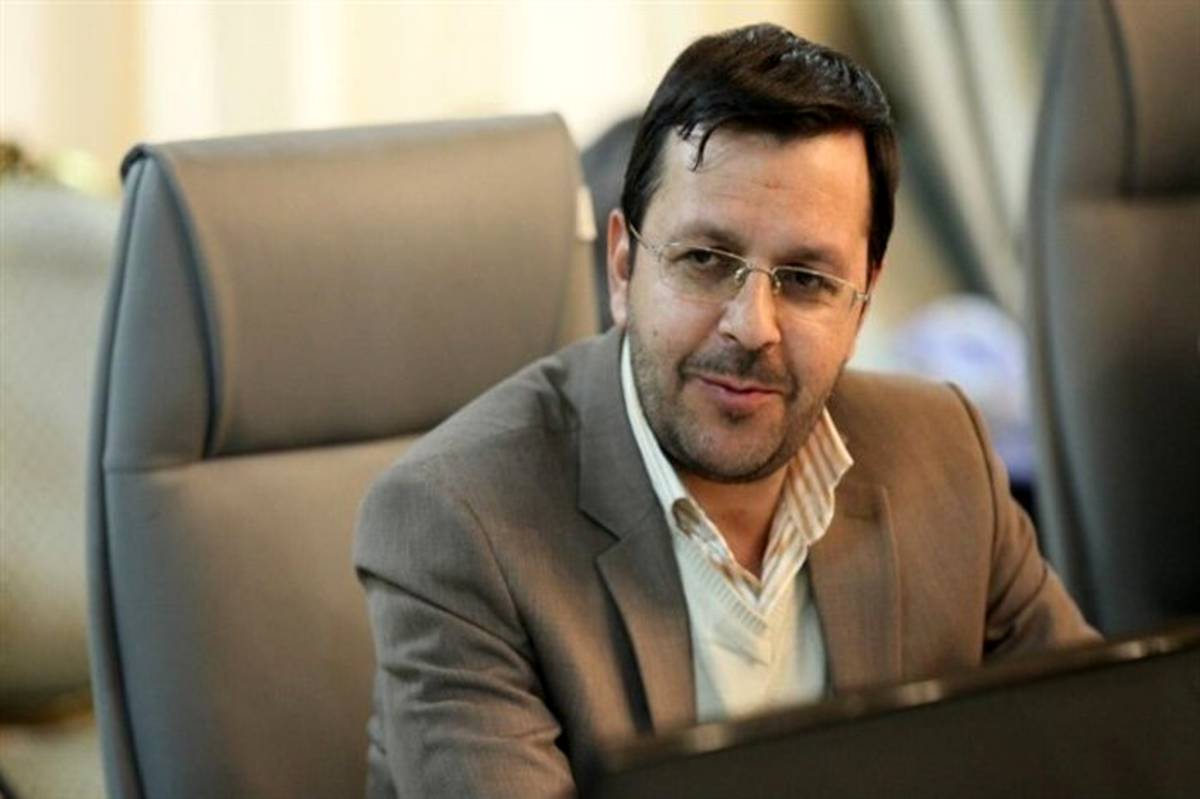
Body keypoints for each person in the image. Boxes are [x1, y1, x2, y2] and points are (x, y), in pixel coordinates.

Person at [354, 23, 1097, 798]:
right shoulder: (458, 523)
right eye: (706, 260)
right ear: (623, 266)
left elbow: (1099, 749)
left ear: (862, 302)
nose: (752, 327)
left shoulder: (945, 451)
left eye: (806, 279)